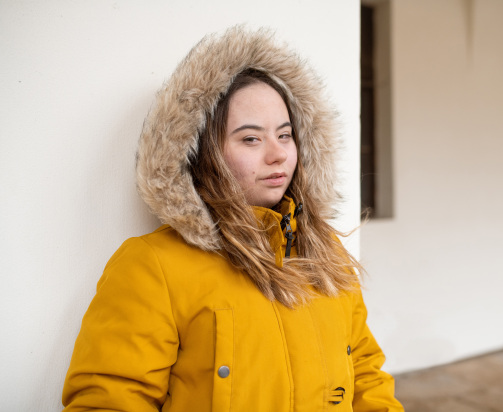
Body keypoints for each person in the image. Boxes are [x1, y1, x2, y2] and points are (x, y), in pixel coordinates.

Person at [62, 26, 404, 411]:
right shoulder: (153, 266)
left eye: (285, 135)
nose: (277, 155)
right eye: (251, 139)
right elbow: (110, 399)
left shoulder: (327, 255)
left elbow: (365, 372)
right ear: (206, 152)